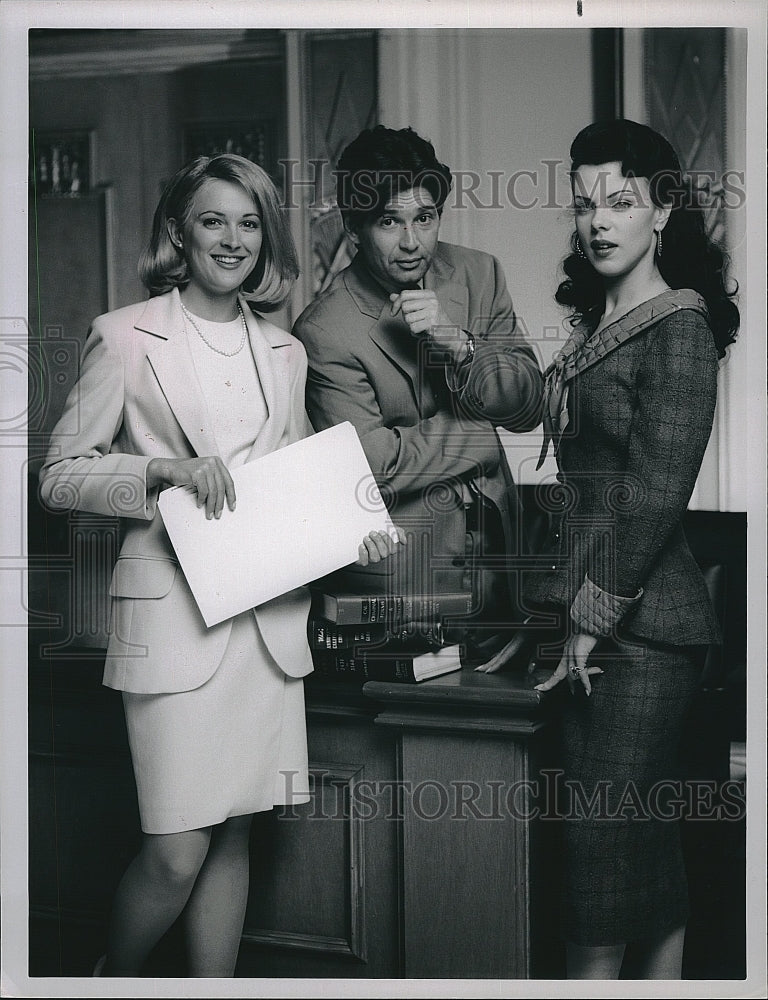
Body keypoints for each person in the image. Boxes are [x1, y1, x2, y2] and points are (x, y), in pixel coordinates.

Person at [38, 154, 401, 978]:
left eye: (248, 222)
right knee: (174, 854)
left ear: (265, 236)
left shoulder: (285, 352)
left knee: (234, 834)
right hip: (173, 623)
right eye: (213, 220)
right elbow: (58, 477)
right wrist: (156, 472)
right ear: (180, 231)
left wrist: (355, 530)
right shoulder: (125, 336)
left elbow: (292, 486)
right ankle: (105, 984)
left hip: (264, 629)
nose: (232, 239)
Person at [478, 119, 739, 979]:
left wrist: (589, 621)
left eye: (621, 202)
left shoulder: (679, 326)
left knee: (599, 836)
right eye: (585, 202)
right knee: (636, 837)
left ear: (661, 211)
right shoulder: (602, 321)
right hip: (598, 619)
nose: (598, 220)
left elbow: (655, 495)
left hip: (644, 631)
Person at [292, 126, 543, 664]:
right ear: (355, 226)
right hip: (403, 577)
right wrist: (480, 431)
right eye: (390, 221)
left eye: (424, 218)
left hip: (502, 561)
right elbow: (372, 463)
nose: (412, 242)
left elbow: (526, 406)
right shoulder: (323, 329)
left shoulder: (479, 273)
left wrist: (459, 341)